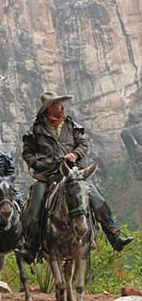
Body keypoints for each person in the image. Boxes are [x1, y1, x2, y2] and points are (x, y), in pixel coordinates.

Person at [20, 90, 134, 264]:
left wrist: (74, 154)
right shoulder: (35, 129)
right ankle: (31, 247)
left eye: (60, 103)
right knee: (35, 207)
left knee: (96, 197)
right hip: (47, 176)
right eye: (57, 104)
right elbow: (27, 153)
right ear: (49, 108)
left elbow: (83, 144)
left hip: (73, 173)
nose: (61, 106)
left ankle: (114, 235)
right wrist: (42, 164)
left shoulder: (71, 124)